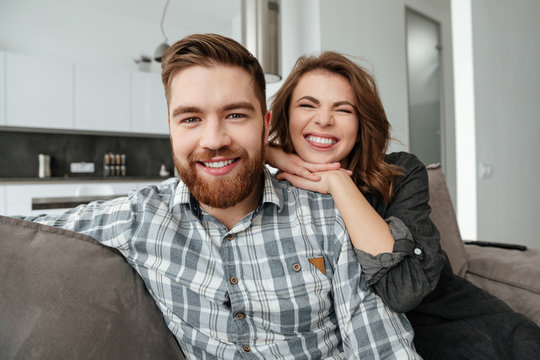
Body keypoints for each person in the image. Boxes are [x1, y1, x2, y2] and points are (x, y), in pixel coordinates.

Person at [19, 34, 420, 359]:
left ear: (265, 126)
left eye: (235, 115)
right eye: (191, 118)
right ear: (172, 129)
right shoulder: (141, 217)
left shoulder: (328, 216)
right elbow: (19, 236)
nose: (213, 140)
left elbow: (383, 346)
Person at [265, 51, 540, 359]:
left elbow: (404, 289)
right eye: (307, 105)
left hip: (474, 333)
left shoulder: (402, 174)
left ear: (359, 127)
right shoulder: (273, 197)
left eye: (343, 110)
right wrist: (271, 153)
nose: (324, 119)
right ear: (284, 117)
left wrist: (338, 183)